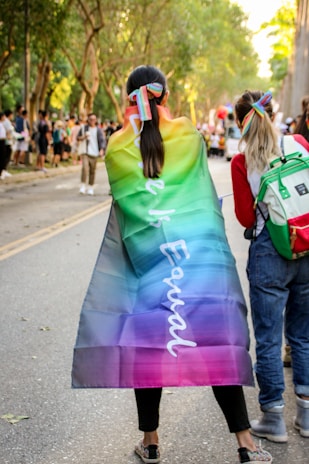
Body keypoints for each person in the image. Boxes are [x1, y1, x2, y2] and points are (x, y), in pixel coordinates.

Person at [72, 66, 272, 464]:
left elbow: (127, 204)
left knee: (149, 351)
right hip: (197, 263)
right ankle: (246, 444)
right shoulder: (190, 136)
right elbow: (198, 193)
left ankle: (150, 443)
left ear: (130, 98)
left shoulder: (116, 146)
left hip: (148, 266)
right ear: (164, 96)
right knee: (216, 346)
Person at [231, 90, 309, 444]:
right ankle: (306, 417)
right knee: (303, 335)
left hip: (269, 255)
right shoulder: (299, 143)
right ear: (273, 113)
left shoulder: (242, 160)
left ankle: (273, 418)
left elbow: (246, 217)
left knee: (267, 337)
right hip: (306, 247)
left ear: (238, 122)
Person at [77, 112, 105, 195]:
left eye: (94, 119)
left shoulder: (98, 130)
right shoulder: (84, 129)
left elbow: (102, 141)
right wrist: (84, 137)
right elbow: (78, 138)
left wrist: (101, 149)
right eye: (90, 119)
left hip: (95, 153)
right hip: (86, 152)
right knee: (85, 168)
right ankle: (82, 186)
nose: (92, 121)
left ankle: (90, 187)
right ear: (88, 120)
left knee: (92, 171)